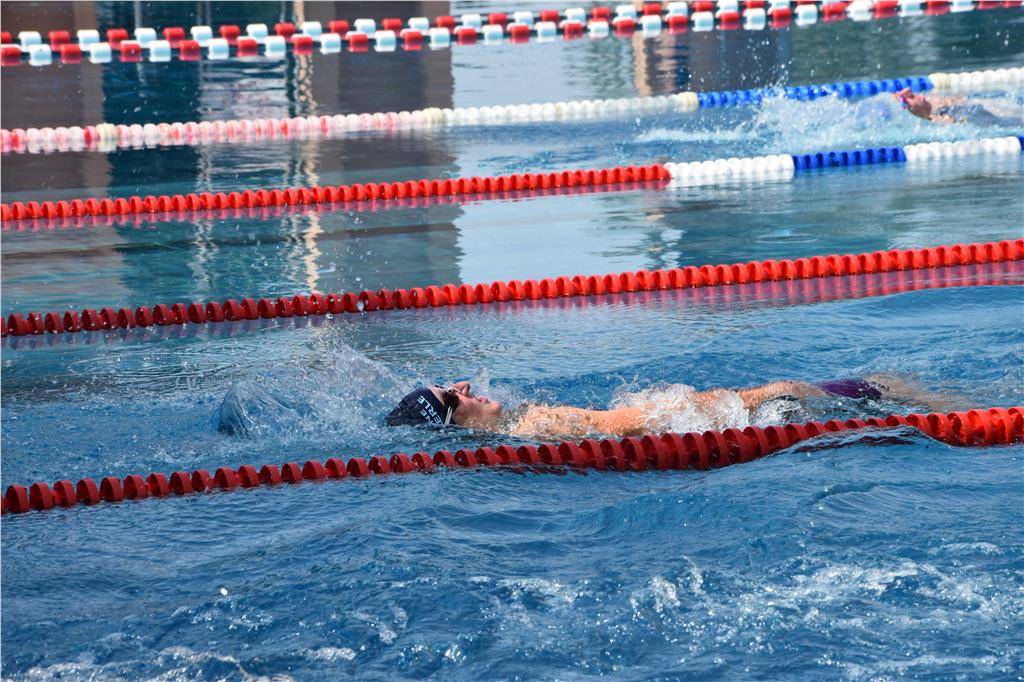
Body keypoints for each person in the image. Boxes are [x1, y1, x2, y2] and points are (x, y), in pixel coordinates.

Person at [385, 376, 949, 440]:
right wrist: (731, 404)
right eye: (453, 396)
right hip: (710, 421)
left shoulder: (519, 428)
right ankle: (946, 406)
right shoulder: (535, 424)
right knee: (884, 387)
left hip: (689, 423)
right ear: (453, 421)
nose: (464, 386)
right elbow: (632, 424)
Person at [894, 87, 1020, 126]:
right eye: (911, 97)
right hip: (978, 111)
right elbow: (949, 124)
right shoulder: (938, 117)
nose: (917, 95)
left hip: (976, 103)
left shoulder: (932, 100)